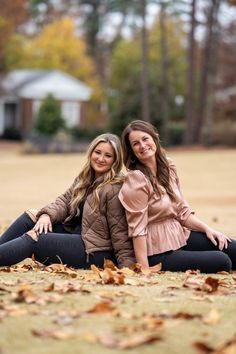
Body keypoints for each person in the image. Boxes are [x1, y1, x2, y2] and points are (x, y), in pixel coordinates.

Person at [0, 133, 135, 269]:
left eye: (108, 155)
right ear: (91, 152)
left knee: (35, 238)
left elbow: (120, 232)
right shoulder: (85, 178)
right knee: (30, 217)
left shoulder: (114, 188)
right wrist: (47, 215)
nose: (100, 159)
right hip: (76, 234)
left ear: (115, 160)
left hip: (95, 250)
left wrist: (127, 267)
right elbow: (64, 202)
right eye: (98, 152)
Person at [118, 120, 236, 273]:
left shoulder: (168, 167)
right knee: (222, 261)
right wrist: (144, 269)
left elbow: (182, 212)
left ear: (154, 138)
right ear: (132, 150)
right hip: (157, 250)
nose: (142, 145)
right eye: (136, 143)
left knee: (232, 249)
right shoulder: (136, 180)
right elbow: (138, 229)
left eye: (145, 139)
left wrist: (208, 230)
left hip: (180, 235)